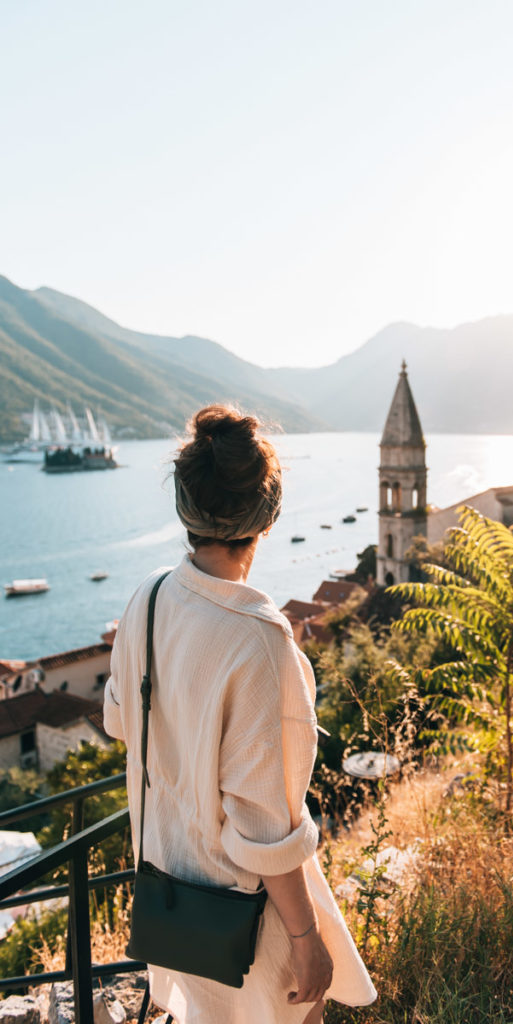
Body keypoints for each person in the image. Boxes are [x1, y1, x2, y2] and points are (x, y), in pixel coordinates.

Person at [103, 405, 376, 1024]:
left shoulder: (145, 598)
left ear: (186, 507)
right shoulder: (261, 641)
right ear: (268, 514)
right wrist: (307, 942)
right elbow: (263, 829)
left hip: (172, 896)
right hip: (245, 914)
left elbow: (121, 724)